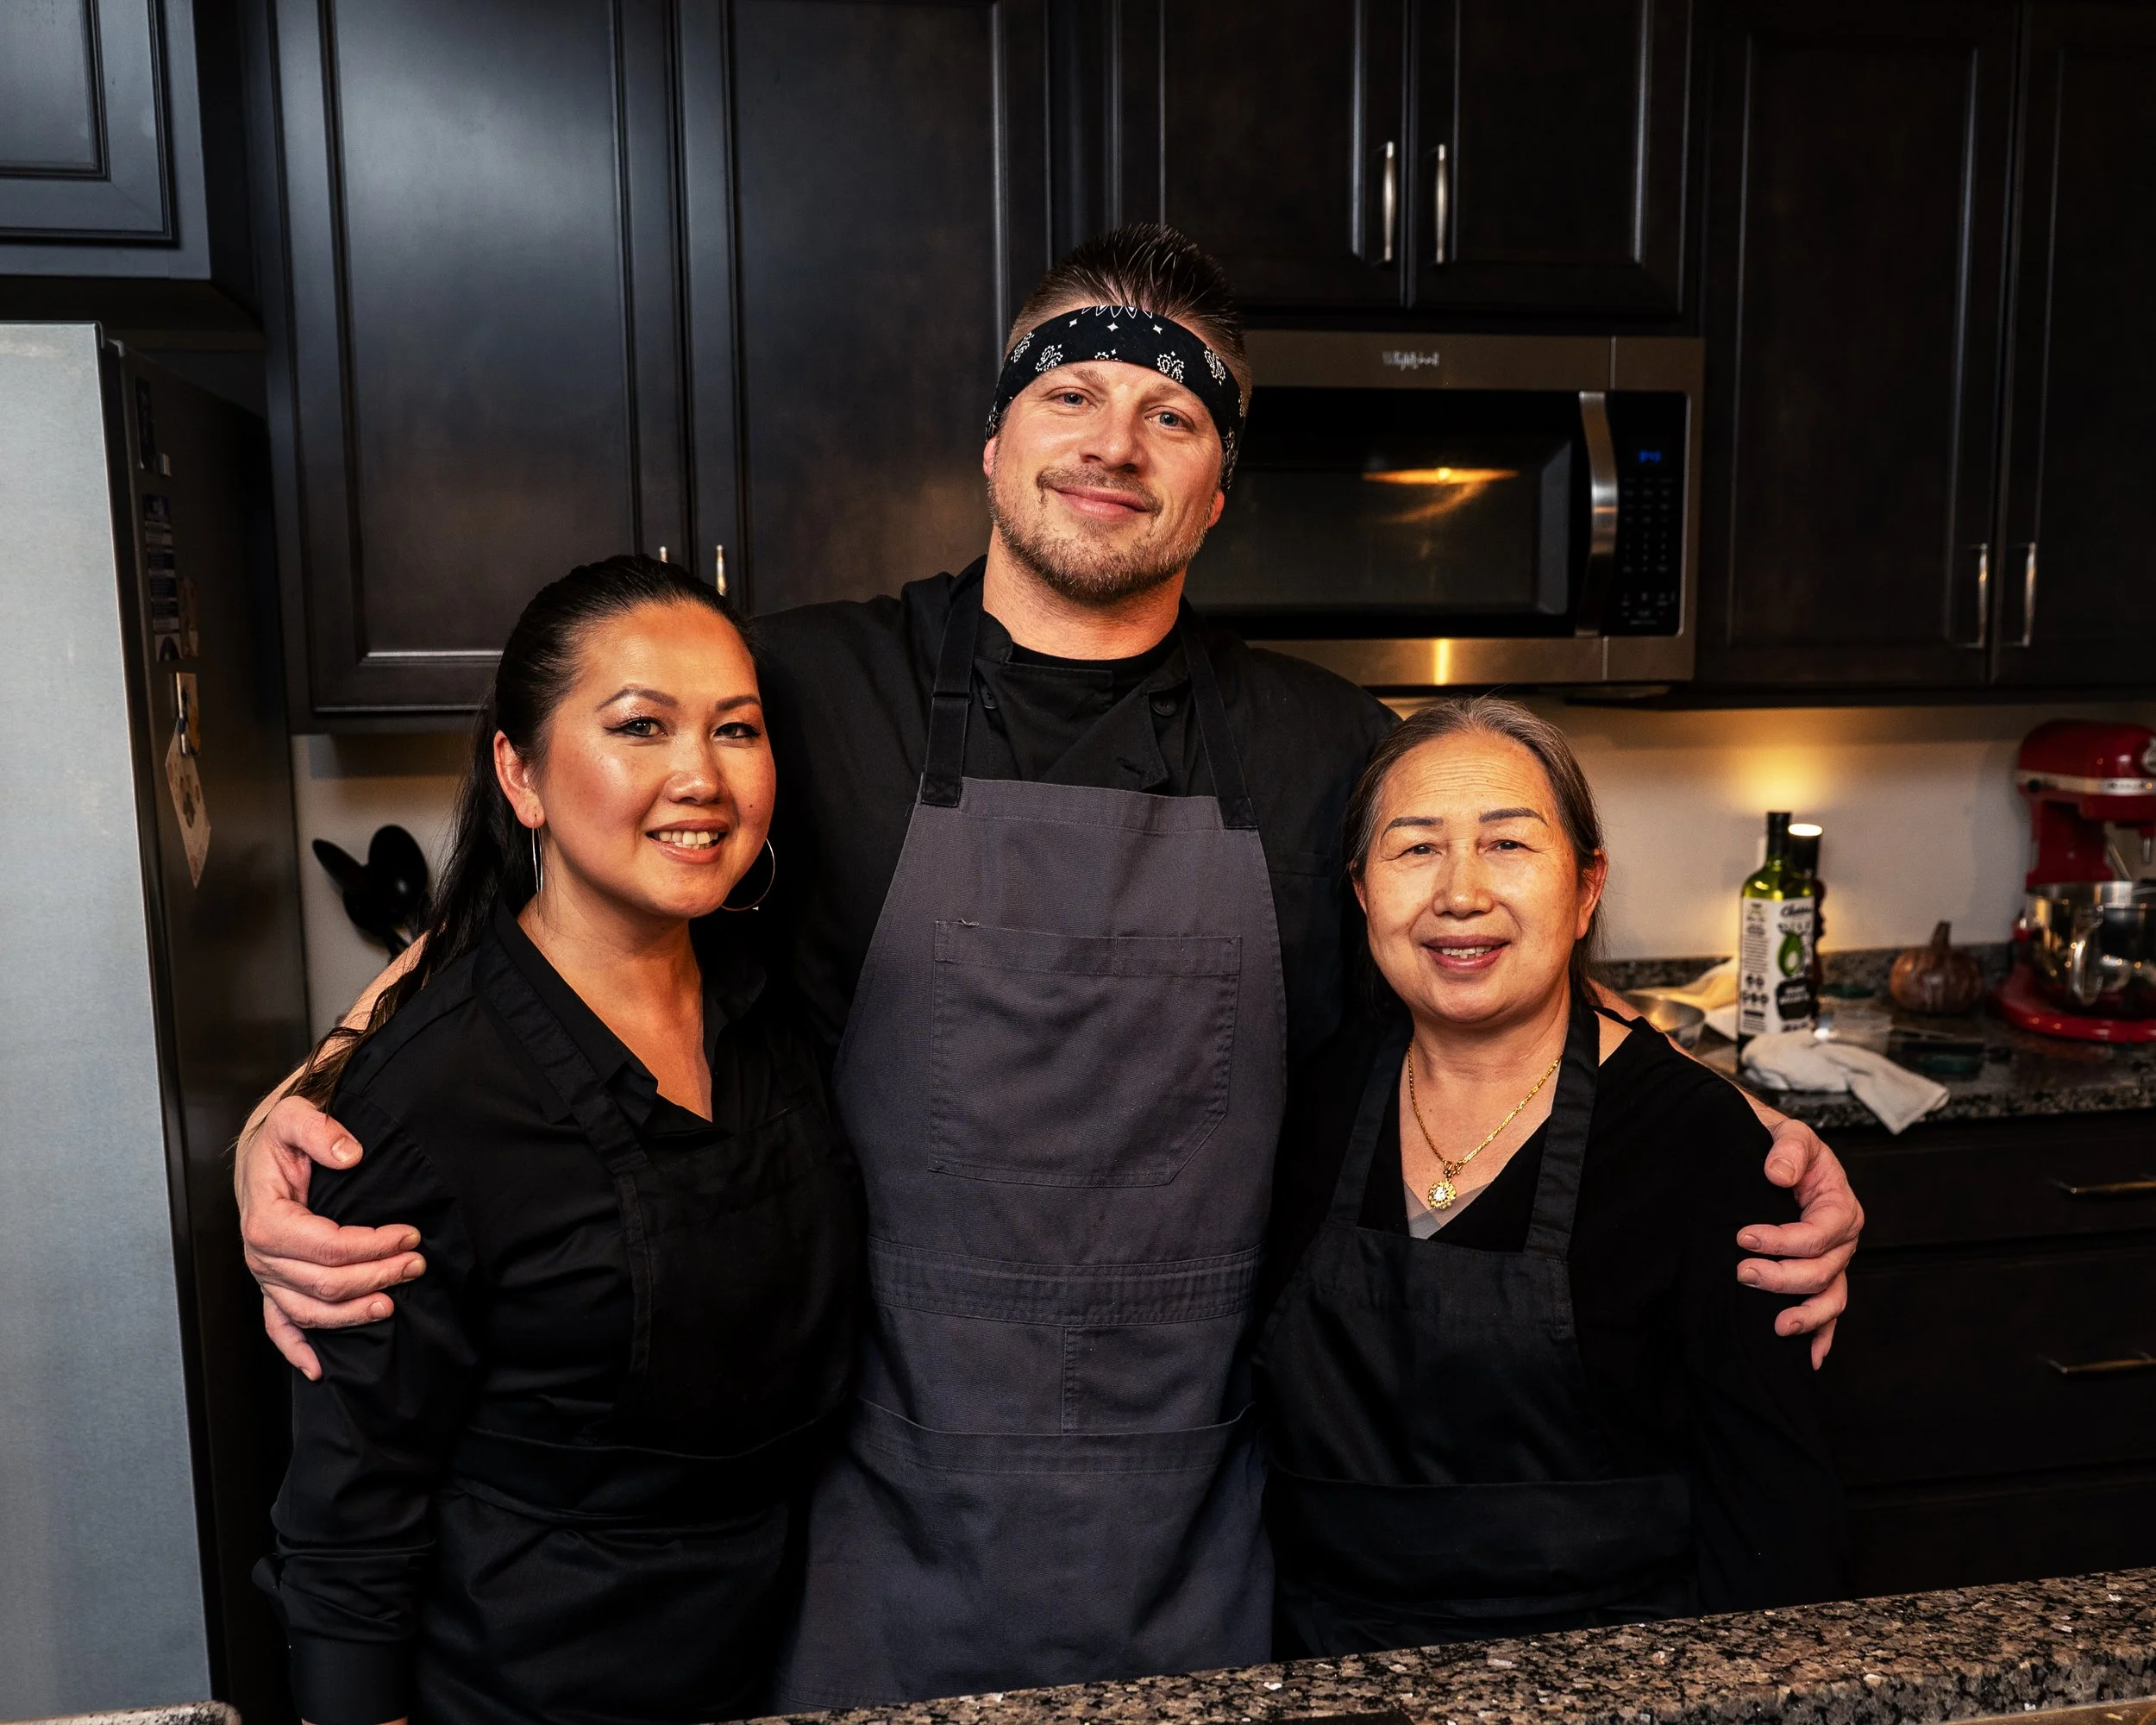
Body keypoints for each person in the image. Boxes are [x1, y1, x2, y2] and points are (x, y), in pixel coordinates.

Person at [232, 226, 1863, 1707]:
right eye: (1073, 391)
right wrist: (305, 1100)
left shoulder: (1314, 744)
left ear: (1219, 490)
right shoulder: (811, 687)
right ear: (996, 442)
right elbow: (548, 901)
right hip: (883, 1528)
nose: (1113, 442)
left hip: (1204, 1536)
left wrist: (1731, 1132)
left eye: (1173, 416)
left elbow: (1495, 953)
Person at [254, 557, 862, 1724]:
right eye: (640, 726)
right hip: (529, 1687)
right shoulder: (423, 1105)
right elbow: (346, 1533)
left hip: (793, 1658)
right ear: (519, 775)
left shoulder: (776, 1001)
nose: (701, 776)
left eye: (736, 728)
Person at [1257, 698, 1845, 1656]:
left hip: (1614, 1677)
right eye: (1414, 849)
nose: (1459, 892)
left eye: (1507, 845)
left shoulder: (1698, 1142)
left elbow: (1774, 1521)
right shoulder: (1311, 1101)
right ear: (1362, 891)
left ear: (1584, 889)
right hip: (1330, 1668)